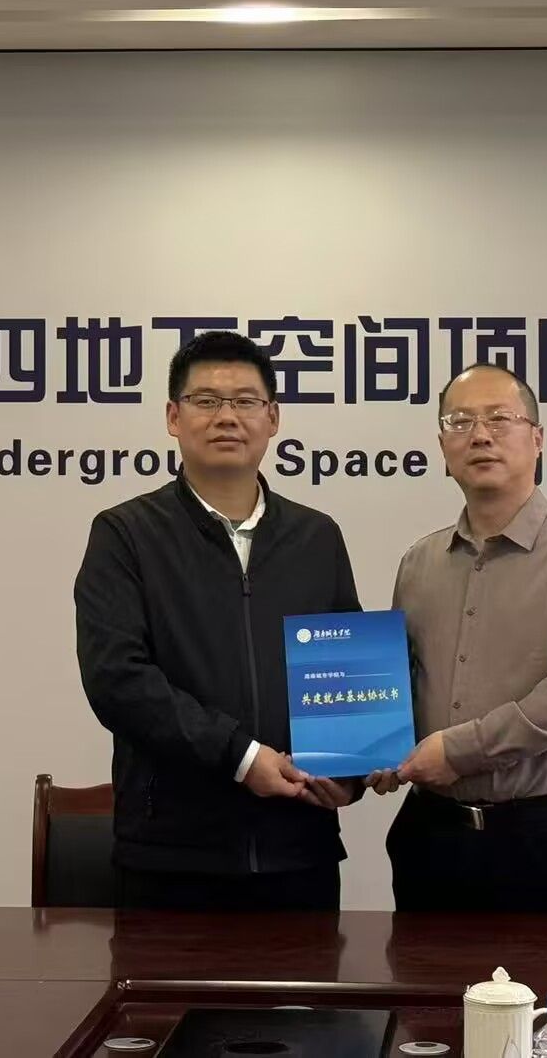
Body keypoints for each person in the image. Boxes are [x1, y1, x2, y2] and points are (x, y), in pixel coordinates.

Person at [76, 330, 360, 911]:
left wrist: (350, 767)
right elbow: (117, 679)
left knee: (310, 979)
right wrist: (241, 756)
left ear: (273, 418)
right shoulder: (126, 534)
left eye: (245, 401)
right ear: (173, 417)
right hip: (171, 856)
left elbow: (345, 666)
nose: (226, 417)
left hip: (298, 850)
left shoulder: (317, 536)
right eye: (205, 401)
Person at [371, 362, 547, 913]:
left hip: (542, 842)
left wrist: (460, 750)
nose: (480, 435)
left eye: (499, 418)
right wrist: (372, 749)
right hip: (431, 836)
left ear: (537, 439)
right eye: (460, 421)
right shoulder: (419, 562)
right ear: (442, 446)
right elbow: (400, 683)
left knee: (546, 978)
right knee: (422, 974)